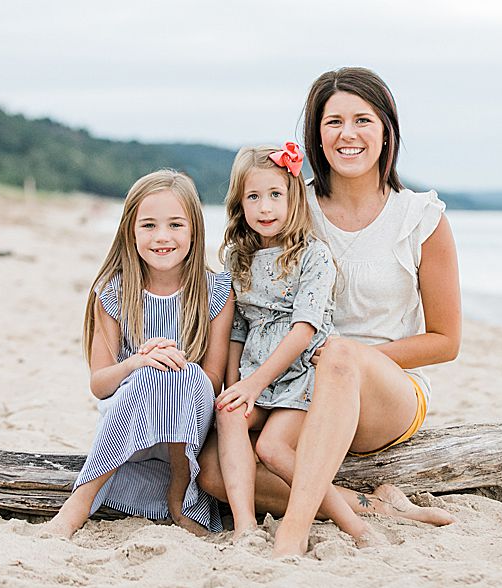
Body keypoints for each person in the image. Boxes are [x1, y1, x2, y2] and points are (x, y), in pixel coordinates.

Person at [198, 67, 459, 556]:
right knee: (214, 472)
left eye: (363, 120)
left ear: (387, 130)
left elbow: (445, 341)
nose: (348, 134)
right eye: (333, 122)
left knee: (338, 355)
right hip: (294, 382)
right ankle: (369, 505)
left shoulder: (421, 219)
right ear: (316, 136)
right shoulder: (292, 209)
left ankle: (292, 534)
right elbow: (246, 292)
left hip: (386, 393)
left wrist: (350, 360)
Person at [44, 170, 235, 538]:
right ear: (130, 230)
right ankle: (79, 504)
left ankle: (180, 496)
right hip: (129, 430)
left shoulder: (217, 292)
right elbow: (100, 385)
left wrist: (175, 364)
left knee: (180, 374)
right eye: (148, 225)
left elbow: (214, 380)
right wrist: (137, 362)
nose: (162, 237)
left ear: (195, 229)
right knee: (150, 373)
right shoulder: (113, 292)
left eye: (175, 224)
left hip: (188, 430)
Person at [215, 141, 381, 544]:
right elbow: (238, 330)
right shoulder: (238, 258)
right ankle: (245, 525)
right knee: (228, 414)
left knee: (272, 447)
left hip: (301, 375)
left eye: (276, 195)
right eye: (253, 197)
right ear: (240, 204)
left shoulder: (313, 257)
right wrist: (238, 385)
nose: (265, 208)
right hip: (257, 375)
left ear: (294, 199)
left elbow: (304, 330)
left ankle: (353, 521)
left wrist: (254, 385)